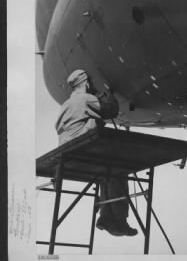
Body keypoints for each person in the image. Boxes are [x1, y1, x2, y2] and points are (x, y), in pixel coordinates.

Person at [55, 69, 137, 237]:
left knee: (105, 171)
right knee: (118, 169)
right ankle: (118, 219)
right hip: (84, 152)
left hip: (67, 155)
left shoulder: (65, 105)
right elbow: (111, 110)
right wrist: (109, 94)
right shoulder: (86, 99)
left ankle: (106, 217)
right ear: (86, 84)